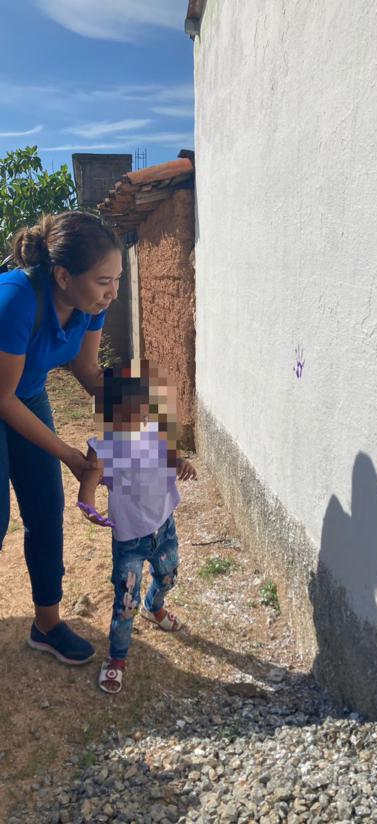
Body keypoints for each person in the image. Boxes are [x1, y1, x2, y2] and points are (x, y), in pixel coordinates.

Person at [0, 211, 123, 665]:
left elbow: (87, 369)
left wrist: (137, 418)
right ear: (63, 276)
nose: (113, 292)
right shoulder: (16, 300)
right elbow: (2, 399)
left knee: (45, 507)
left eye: (117, 279)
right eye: (104, 281)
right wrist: (71, 455)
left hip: (25, 393)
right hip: (3, 394)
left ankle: (47, 624)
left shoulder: (91, 306)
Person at [77, 358, 197, 693]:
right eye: (127, 412)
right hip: (130, 540)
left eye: (141, 409)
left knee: (169, 575)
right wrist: (88, 504)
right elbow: (89, 482)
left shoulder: (154, 431)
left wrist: (181, 463)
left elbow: (169, 455)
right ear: (109, 414)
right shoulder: (103, 449)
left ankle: (154, 607)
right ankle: (116, 658)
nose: (138, 416)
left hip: (164, 527)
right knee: (125, 603)